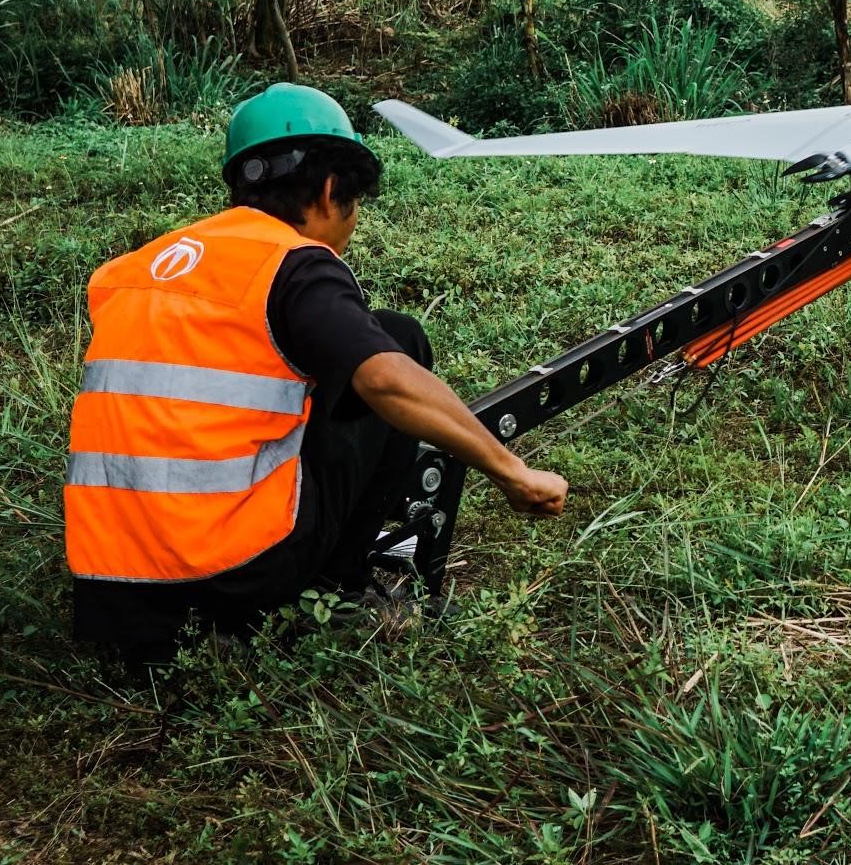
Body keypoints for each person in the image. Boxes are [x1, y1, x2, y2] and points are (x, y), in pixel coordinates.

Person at [63, 83, 566, 659]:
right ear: (331, 191)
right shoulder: (292, 265)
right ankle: (337, 589)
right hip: (228, 574)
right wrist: (511, 472)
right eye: (354, 207)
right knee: (397, 341)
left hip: (108, 587)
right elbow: (385, 379)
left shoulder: (132, 269)